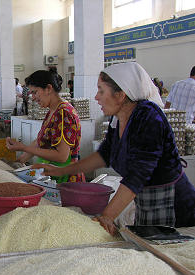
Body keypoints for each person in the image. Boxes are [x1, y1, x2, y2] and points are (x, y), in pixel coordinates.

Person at [34, 62, 195, 235]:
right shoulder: (118, 118)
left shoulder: (149, 117)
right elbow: (104, 155)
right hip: (145, 198)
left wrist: (108, 216)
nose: (96, 97)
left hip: (171, 204)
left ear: (120, 95)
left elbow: (138, 174)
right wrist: (62, 171)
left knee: (161, 249)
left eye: (101, 90)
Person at [6, 69, 84, 183]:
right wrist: (19, 161)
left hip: (65, 180)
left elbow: (62, 156)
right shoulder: (52, 111)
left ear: (48, 88)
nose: (33, 97)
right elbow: (40, 141)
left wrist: (23, 147)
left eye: (35, 92)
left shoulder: (63, 113)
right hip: (51, 176)